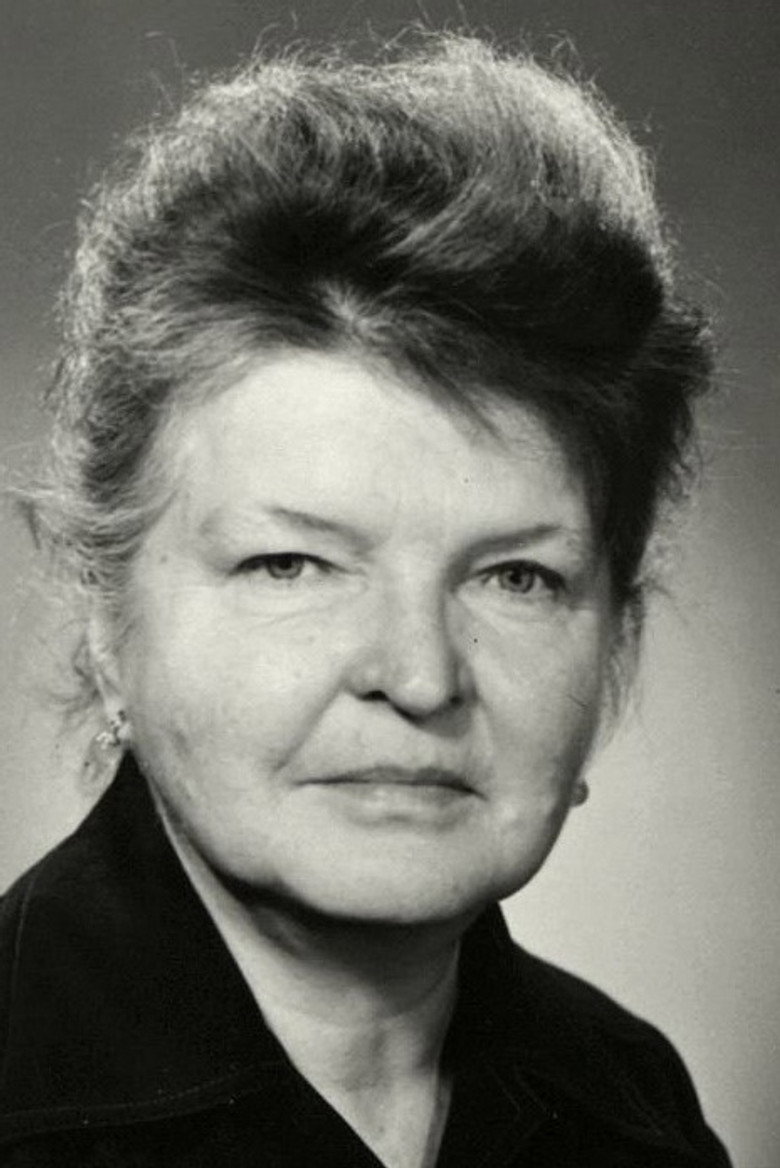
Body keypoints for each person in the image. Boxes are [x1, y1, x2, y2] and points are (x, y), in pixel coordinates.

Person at [0, 32, 732, 1168]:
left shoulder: (636, 1105)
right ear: (106, 621)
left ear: (618, 652)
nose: (420, 675)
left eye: (516, 577)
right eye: (293, 565)